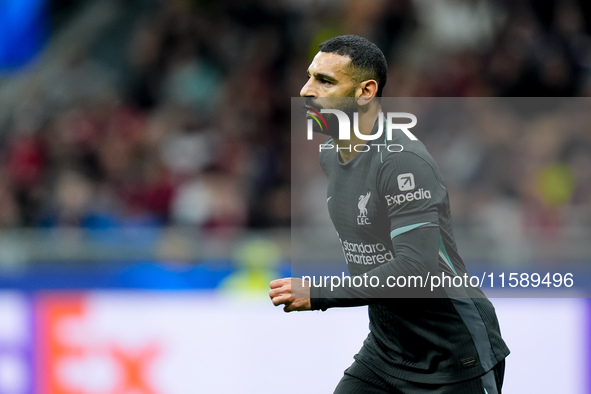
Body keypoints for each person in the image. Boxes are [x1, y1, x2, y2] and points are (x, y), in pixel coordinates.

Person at [269, 35, 510, 394]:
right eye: (309, 76)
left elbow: (415, 268)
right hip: (386, 353)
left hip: (454, 358)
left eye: (325, 81)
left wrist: (319, 293)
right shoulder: (330, 155)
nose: (306, 90)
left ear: (366, 91)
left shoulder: (401, 160)